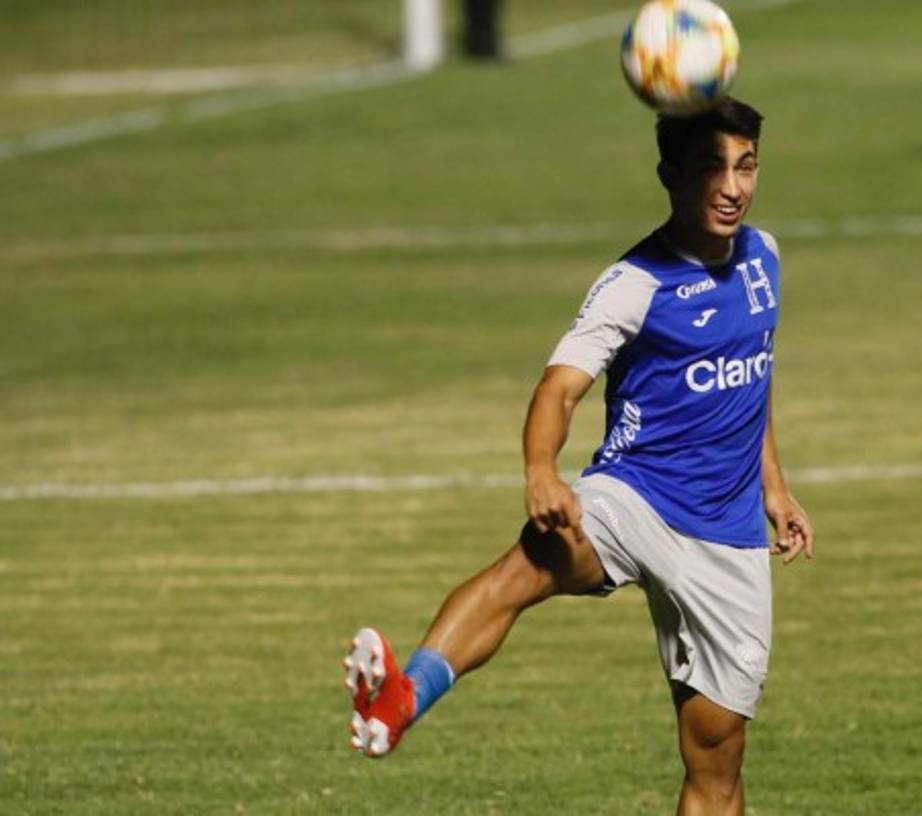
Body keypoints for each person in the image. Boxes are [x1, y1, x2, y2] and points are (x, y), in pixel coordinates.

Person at [343, 97, 812, 815]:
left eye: (746, 167)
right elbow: (558, 390)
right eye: (712, 168)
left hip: (728, 541)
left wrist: (773, 489)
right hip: (636, 498)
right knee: (525, 567)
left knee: (716, 760)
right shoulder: (634, 284)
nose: (733, 187)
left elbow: (753, 371)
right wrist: (540, 471)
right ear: (670, 175)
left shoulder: (764, 257)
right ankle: (404, 698)